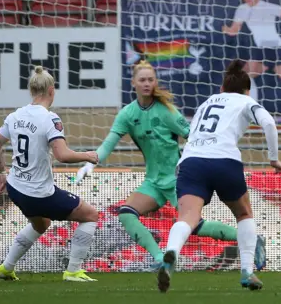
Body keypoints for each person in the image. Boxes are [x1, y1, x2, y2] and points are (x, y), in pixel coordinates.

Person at [75, 60, 266, 274]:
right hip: (153, 181)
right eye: (142, 80)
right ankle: (159, 258)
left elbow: (195, 136)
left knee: (193, 225)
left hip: (176, 178)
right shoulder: (127, 115)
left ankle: (252, 239)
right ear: (133, 83)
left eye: (150, 79)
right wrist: (89, 163)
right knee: (127, 213)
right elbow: (107, 145)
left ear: (155, 82)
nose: (147, 84)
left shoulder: (167, 111)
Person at [157, 59, 281, 293]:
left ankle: (172, 250)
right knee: (244, 212)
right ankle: (246, 271)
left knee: (188, 216)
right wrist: (273, 159)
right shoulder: (246, 101)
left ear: (221, 89)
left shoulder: (206, 103)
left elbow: (192, 135)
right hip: (224, 160)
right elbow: (269, 123)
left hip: (191, 162)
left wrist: (183, 164)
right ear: (247, 90)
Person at [0, 66, 100, 282]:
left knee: (41, 224)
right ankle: (73, 271)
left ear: (32, 90)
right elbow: (62, 155)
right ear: (52, 90)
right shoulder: (50, 118)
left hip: (16, 188)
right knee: (90, 215)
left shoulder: (15, 116)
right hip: (38, 193)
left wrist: (1, 172)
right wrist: (87, 155)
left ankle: (6, 268)